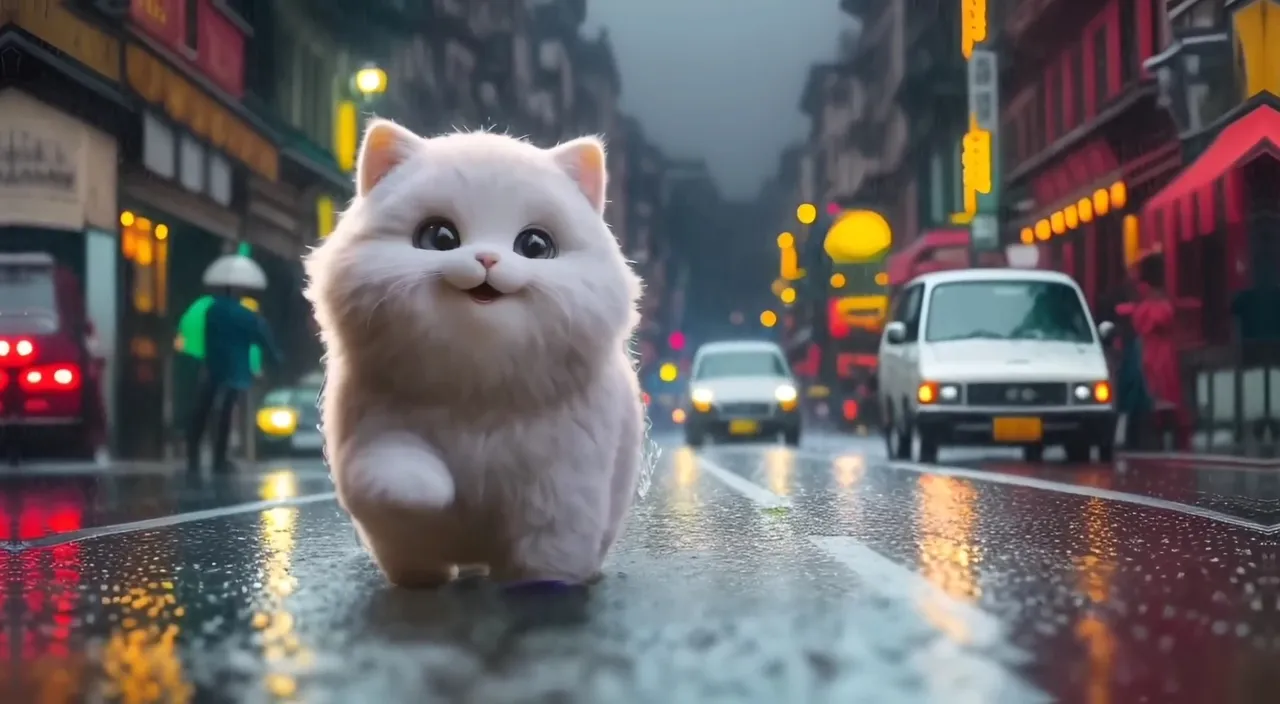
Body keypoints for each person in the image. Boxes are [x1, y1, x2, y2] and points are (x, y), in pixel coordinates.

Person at [186, 286, 282, 473]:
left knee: (203, 411)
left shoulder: (212, 311)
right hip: (235, 371)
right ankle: (219, 458)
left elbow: (206, 339)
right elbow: (263, 338)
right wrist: (275, 359)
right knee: (226, 413)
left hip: (213, 367)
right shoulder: (246, 315)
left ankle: (193, 453)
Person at [1131, 255, 1191, 450]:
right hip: (1164, 354)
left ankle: (1156, 433)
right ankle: (1170, 433)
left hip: (1153, 354)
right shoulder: (1164, 305)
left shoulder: (1147, 308)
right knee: (1168, 395)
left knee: (1155, 394)